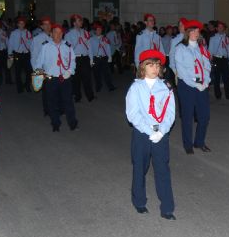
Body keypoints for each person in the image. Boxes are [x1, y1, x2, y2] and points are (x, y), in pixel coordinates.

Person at [125, 49, 176, 220]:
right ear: (142, 67)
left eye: (157, 65)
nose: (155, 68)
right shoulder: (136, 88)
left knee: (162, 169)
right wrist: (149, 131)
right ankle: (139, 201)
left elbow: (170, 113)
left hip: (160, 134)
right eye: (150, 65)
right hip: (142, 134)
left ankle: (167, 207)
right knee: (140, 167)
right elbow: (133, 114)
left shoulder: (166, 87)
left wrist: (162, 131)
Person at [174, 20, 212, 154]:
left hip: (202, 84)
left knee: (204, 116)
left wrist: (206, 82)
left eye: (198, 31)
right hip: (187, 86)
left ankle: (199, 142)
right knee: (187, 116)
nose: (196, 33)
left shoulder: (202, 48)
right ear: (188, 32)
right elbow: (182, 71)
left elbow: (207, 66)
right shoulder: (180, 48)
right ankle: (187, 144)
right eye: (193, 30)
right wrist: (196, 84)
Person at [34, 23, 78, 132]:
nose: (57, 35)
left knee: (68, 101)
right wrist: (38, 76)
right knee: (52, 102)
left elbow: (72, 60)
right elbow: (39, 62)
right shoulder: (45, 46)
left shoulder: (67, 46)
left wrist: (70, 71)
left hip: (65, 78)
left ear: (62, 34)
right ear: (51, 34)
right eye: (55, 32)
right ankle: (55, 123)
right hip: (51, 78)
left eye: (60, 33)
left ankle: (72, 123)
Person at [64, 14, 94, 103]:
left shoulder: (85, 32)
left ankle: (90, 96)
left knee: (87, 78)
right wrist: (78, 40)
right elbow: (68, 48)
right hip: (75, 58)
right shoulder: (69, 34)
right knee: (76, 79)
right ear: (74, 23)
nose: (81, 22)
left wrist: (91, 59)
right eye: (79, 20)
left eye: (81, 20)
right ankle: (77, 96)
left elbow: (89, 47)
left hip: (85, 58)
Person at [31, 16, 53, 115]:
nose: (47, 26)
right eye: (45, 24)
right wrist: (36, 71)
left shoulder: (55, 36)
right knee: (47, 91)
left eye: (49, 24)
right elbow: (34, 55)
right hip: (43, 68)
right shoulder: (37, 39)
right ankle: (47, 110)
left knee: (56, 89)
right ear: (42, 26)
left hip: (55, 68)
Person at [208, 21, 229, 100]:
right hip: (216, 59)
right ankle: (217, 94)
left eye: (222, 27)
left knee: (226, 78)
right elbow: (210, 50)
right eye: (218, 27)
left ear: (224, 28)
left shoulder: (227, 38)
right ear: (216, 28)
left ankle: (228, 95)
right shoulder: (213, 38)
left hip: (224, 59)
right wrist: (210, 59)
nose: (220, 28)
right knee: (217, 77)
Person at [8, 16, 33, 94]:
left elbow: (31, 43)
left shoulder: (28, 32)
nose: (21, 25)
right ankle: (19, 88)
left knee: (29, 71)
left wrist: (32, 52)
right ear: (18, 24)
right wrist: (10, 53)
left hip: (26, 54)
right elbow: (10, 44)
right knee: (18, 72)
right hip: (17, 54)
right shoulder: (14, 33)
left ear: (24, 24)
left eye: (23, 23)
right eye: (20, 23)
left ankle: (27, 85)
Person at [89, 22, 115, 92]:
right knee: (96, 73)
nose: (99, 31)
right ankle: (98, 86)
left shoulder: (104, 38)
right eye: (97, 30)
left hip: (104, 58)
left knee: (107, 73)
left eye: (100, 30)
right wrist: (91, 59)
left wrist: (109, 57)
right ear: (95, 31)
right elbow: (90, 50)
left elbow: (108, 48)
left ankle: (110, 86)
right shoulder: (91, 39)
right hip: (96, 58)